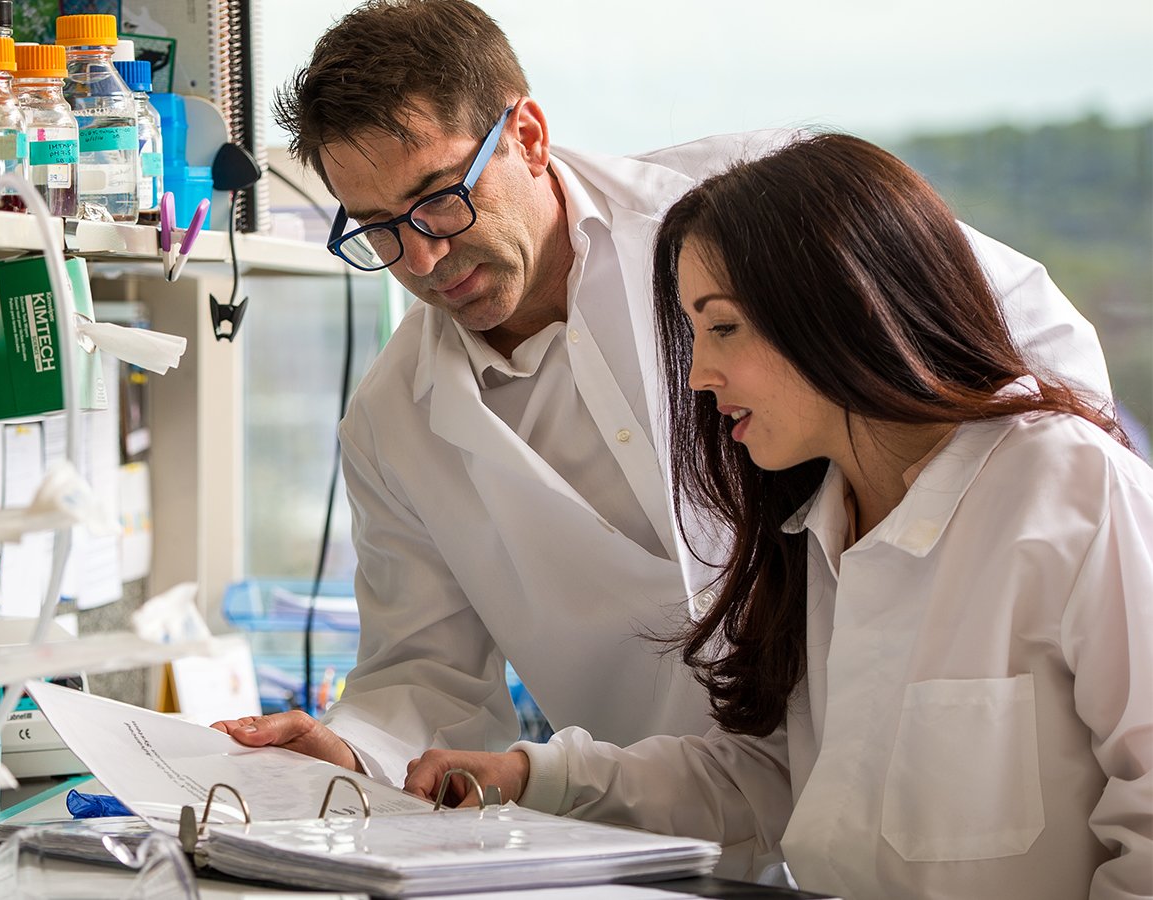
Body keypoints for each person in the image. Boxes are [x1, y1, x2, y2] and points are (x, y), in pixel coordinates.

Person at [213, 0, 1111, 823]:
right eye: (375, 228)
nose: (420, 258)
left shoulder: (745, 210)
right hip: (679, 820)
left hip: (937, 777)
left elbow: (1019, 345)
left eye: (439, 200)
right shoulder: (391, 426)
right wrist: (356, 753)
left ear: (526, 133)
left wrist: (936, 603)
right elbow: (427, 675)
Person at [399, 133, 1152, 899]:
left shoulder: (1069, 491)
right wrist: (536, 775)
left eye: (722, 327)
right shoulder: (819, 528)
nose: (697, 374)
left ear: (841, 307)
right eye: (692, 333)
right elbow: (778, 776)